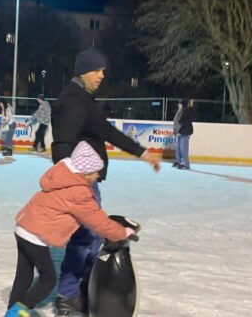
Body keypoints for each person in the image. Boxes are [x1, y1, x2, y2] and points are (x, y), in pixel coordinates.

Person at [50, 48, 160, 316]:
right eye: (97, 70)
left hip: (85, 182)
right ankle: (68, 294)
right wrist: (71, 185)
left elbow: (106, 130)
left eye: (103, 71)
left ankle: (81, 289)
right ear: (83, 71)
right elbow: (62, 144)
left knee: (88, 237)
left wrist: (142, 152)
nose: (101, 75)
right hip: (79, 184)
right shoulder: (74, 102)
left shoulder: (84, 99)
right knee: (84, 238)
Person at [4, 141, 136, 317]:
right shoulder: (78, 192)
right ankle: (18, 311)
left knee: (24, 274)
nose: (98, 176)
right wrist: (121, 232)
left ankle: (11, 311)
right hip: (34, 235)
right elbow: (96, 220)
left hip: (23, 227)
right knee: (48, 280)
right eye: (96, 172)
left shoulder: (62, 178)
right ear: (86, 172)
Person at [173, 99, 194, 169]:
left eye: (180, 104)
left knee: (183, 149)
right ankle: (178, 161)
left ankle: (186, 164)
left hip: (185, 132)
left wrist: (191, 105)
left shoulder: (187, 112)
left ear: (183, 105)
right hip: (180, 132)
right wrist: (176, 131)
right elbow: (176, 121)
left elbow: (182, 123)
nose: (178, 105)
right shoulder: (180, 112)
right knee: (178, 148)